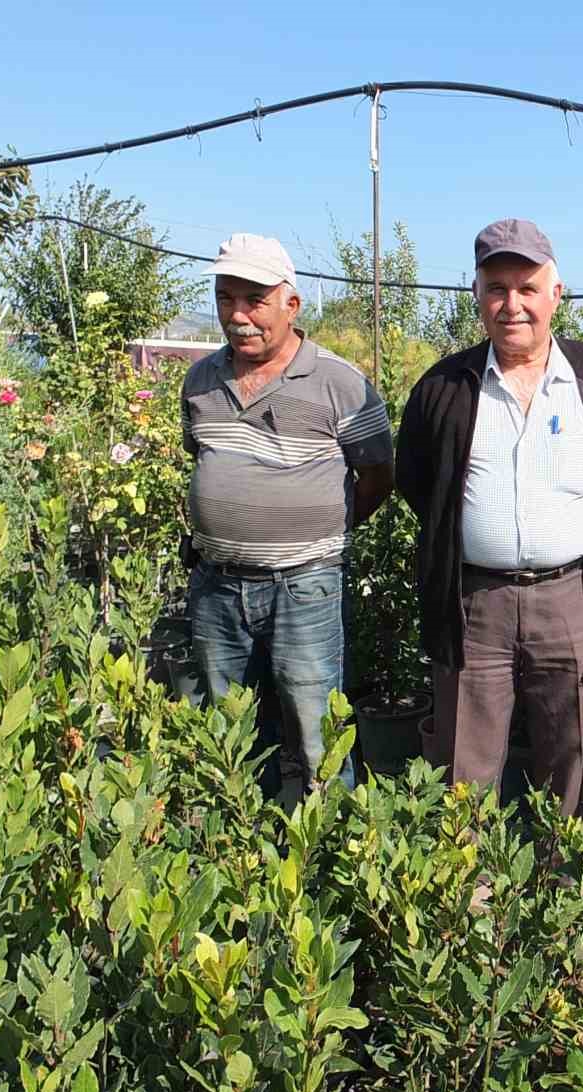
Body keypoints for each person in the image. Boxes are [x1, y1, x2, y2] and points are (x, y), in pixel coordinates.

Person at [395, 219, 583, 814]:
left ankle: (568, 898)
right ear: (476, 295)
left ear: (556, 295)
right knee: (464, 763)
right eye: (497, 287)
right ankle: (466, 898)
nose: (514, 304)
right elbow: (417, 481)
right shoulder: (444, 388)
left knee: (575, 757)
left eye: (528, 288)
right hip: (474, 604)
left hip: (571, 600)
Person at [183, 233, 395, 792]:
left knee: (316, 731)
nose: (238, 315)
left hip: (305, 586)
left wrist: (319, 531)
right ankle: (240, 850)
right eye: (226, 297)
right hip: (216, 587)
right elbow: (206, 459)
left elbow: (377, 474)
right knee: (228, 735)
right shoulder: (200, 381)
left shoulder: (340, 383)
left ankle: (326, 854)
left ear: (290, 305)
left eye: (253, 299)